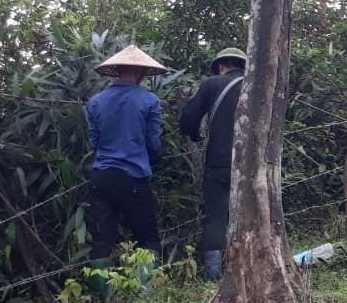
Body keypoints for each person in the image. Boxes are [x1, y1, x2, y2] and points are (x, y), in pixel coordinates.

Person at [85, 45, 168, 278]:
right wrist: (154, 159)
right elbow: (153, 143)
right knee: (147, 237)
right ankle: (145, 290)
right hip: (134, 177)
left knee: (101, 240)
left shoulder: (96, 102)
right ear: (141, 72)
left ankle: (104, 295)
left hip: (102, 176)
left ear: (117, 70)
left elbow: (94, 141)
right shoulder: (149, 101)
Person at [178, 47, 247, 281]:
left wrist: (195, 134)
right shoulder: (255, 85)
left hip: (219, 162)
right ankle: (247, 266)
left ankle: (213, 274)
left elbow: (188, 120)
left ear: (220, 66)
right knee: (251, 214)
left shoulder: (212, 84)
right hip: (250, 165)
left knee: (216, 216)